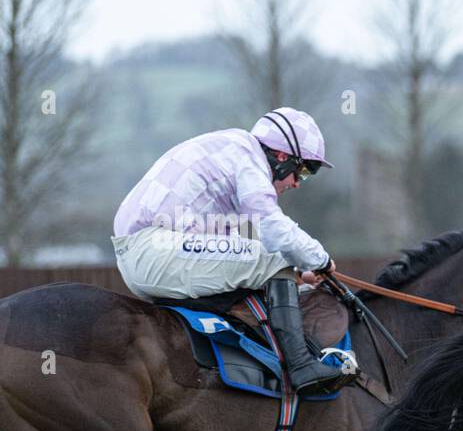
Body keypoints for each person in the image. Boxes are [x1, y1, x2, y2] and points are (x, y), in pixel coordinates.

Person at [112, 107, 343, 395]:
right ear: (282, 157)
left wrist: (297, 274)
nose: (297, 182)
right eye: (305, 171)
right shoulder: (248, 160)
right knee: (277, 255)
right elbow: (273, 229)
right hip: (153, 250)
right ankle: (302, 367)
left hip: (149, 252)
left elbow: (246, 240)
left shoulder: (233, 153)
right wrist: (319, 259)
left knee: (272, 258)